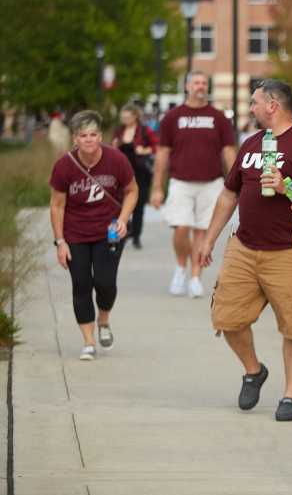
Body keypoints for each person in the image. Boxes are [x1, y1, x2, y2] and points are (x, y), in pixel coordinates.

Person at [198, 79, 292, 420]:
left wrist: (286, 186)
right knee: (227, 317)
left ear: (272, 105)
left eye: (254, 102)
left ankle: (290, 396)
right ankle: (254, 370)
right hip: (244, 247)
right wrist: (209, 238)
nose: (250, 109)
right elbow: (229, 193)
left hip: (289, 253)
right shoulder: (252, 143)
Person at [49, 111, 138, 360]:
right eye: (83, 136)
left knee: (105, 283)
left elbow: (132, 191)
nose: (89, 140)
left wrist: (122, 219)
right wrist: (60, 242)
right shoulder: (64, 166)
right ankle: (88, 341)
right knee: (81, 285)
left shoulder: (116, 160)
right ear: (75, 139)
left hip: (108, 232)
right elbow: (57, 205)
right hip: (75, 234)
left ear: (100, 136)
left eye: (93, 135)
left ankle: (104, 320)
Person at [150, 70, 236, 298]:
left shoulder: (218, 118)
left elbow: (228, 151)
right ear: (187, 86)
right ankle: (181, 267)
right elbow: (162, 153)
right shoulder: (173, 117)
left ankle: (196, 277)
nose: (200, 86)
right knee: (181, 228)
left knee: (202, 233)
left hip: (211, 183)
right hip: (181, 182)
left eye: (204, 83)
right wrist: (157, 187)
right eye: (196, 83)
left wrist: (238, 179)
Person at [111, 103, 158, 250]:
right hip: (120, 173)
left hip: (140, 173)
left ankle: (136, 236)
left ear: (135, 117)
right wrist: (114, 147)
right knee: (119, 204)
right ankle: (124, 230)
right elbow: (111, 149)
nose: (124, 119)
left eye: (127, 117)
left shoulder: (144, 131)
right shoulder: (119, 131)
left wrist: (145, 150)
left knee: (139, 206)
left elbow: (157, 146)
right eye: (122, 117)